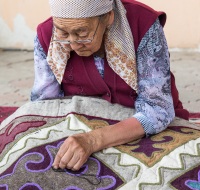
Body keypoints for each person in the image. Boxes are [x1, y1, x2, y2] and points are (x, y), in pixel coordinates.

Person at [31, 0, 189, 171]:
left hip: (150, 131)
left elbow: (158, 110)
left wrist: (93, 140)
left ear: (108, 17)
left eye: (82, 33)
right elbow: (44, 107)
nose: (74, 44)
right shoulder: (46, 35)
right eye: (63, 33)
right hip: (78, 132)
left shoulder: (142, 24)